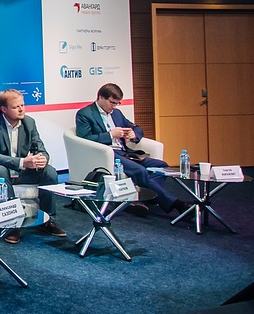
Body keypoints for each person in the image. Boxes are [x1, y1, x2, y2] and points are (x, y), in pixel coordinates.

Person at [74, 83, 184, 216]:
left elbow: (135, 127)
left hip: (124, 153)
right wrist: (110, 135)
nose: (114, 107)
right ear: (101, 97)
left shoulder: (116, 113)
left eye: (117, 103)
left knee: (161, 166)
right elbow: (85, 139)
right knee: (140, 170)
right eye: (112, 103)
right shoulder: (85, 114)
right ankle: (174, 204)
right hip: (106, 154)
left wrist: (134, 134)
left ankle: (144, 198)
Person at [0, 89, 67, 244]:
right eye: (15, 107)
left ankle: (47, 219)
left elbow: (41, 148)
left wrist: (42, 159)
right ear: (4, 109)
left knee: (50, 172)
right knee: (0, 170)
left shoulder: (29, 122)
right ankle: (12, 223)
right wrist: (23, 162)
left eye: (22, 105)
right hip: (0, 171)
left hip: (21, 171)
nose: (21, 110)